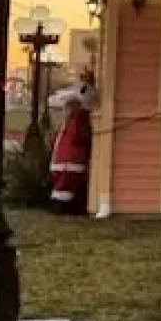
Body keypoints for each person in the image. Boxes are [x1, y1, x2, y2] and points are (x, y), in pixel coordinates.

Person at [48, 69, 97, 213]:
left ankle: (61, 205)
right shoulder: (78, 117)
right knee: (67, 182)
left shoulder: (71, 119)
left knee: (64, 183)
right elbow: (79, 136)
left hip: (65, 155)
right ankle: (63, 207)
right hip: (71, 157)